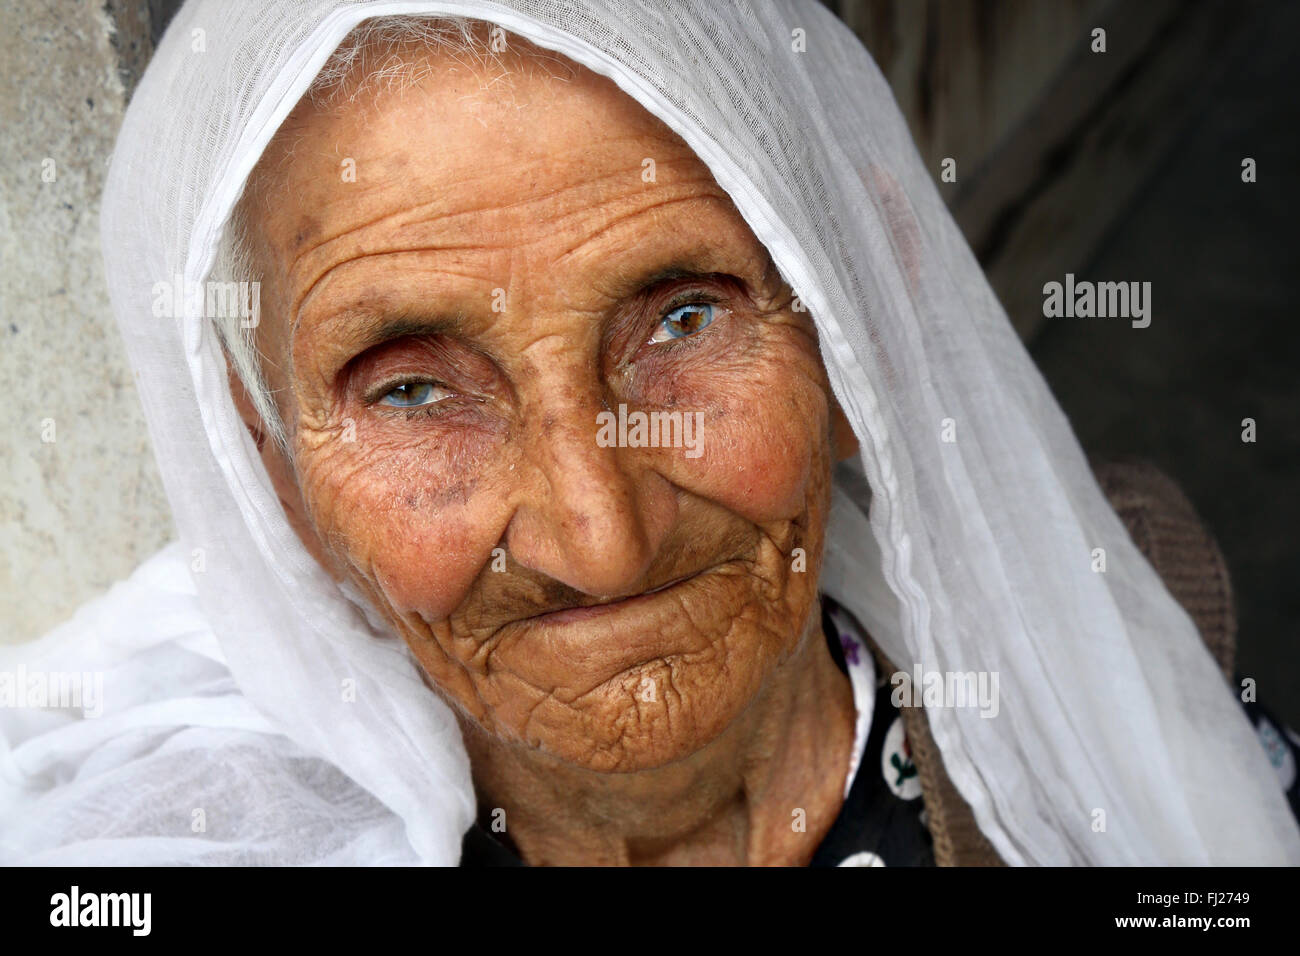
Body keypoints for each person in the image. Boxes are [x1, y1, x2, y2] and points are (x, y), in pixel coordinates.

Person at [2, 0, 1297, 866]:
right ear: (276, 479)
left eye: (685, 316)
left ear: (857, 330)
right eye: (410, 390)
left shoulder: (1114, 683)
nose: (601, 541)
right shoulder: (156, 830)